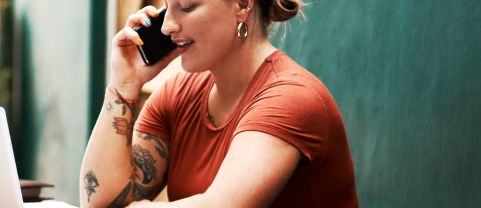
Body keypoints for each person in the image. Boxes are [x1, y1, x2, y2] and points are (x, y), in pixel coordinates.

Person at [79, 0, 358, 207]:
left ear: (242, 5)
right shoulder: (179, 93)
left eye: (186, 7)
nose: (166, 26)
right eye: (167, 7)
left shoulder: (291, 97)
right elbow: (101, 200)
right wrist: (123, 85)